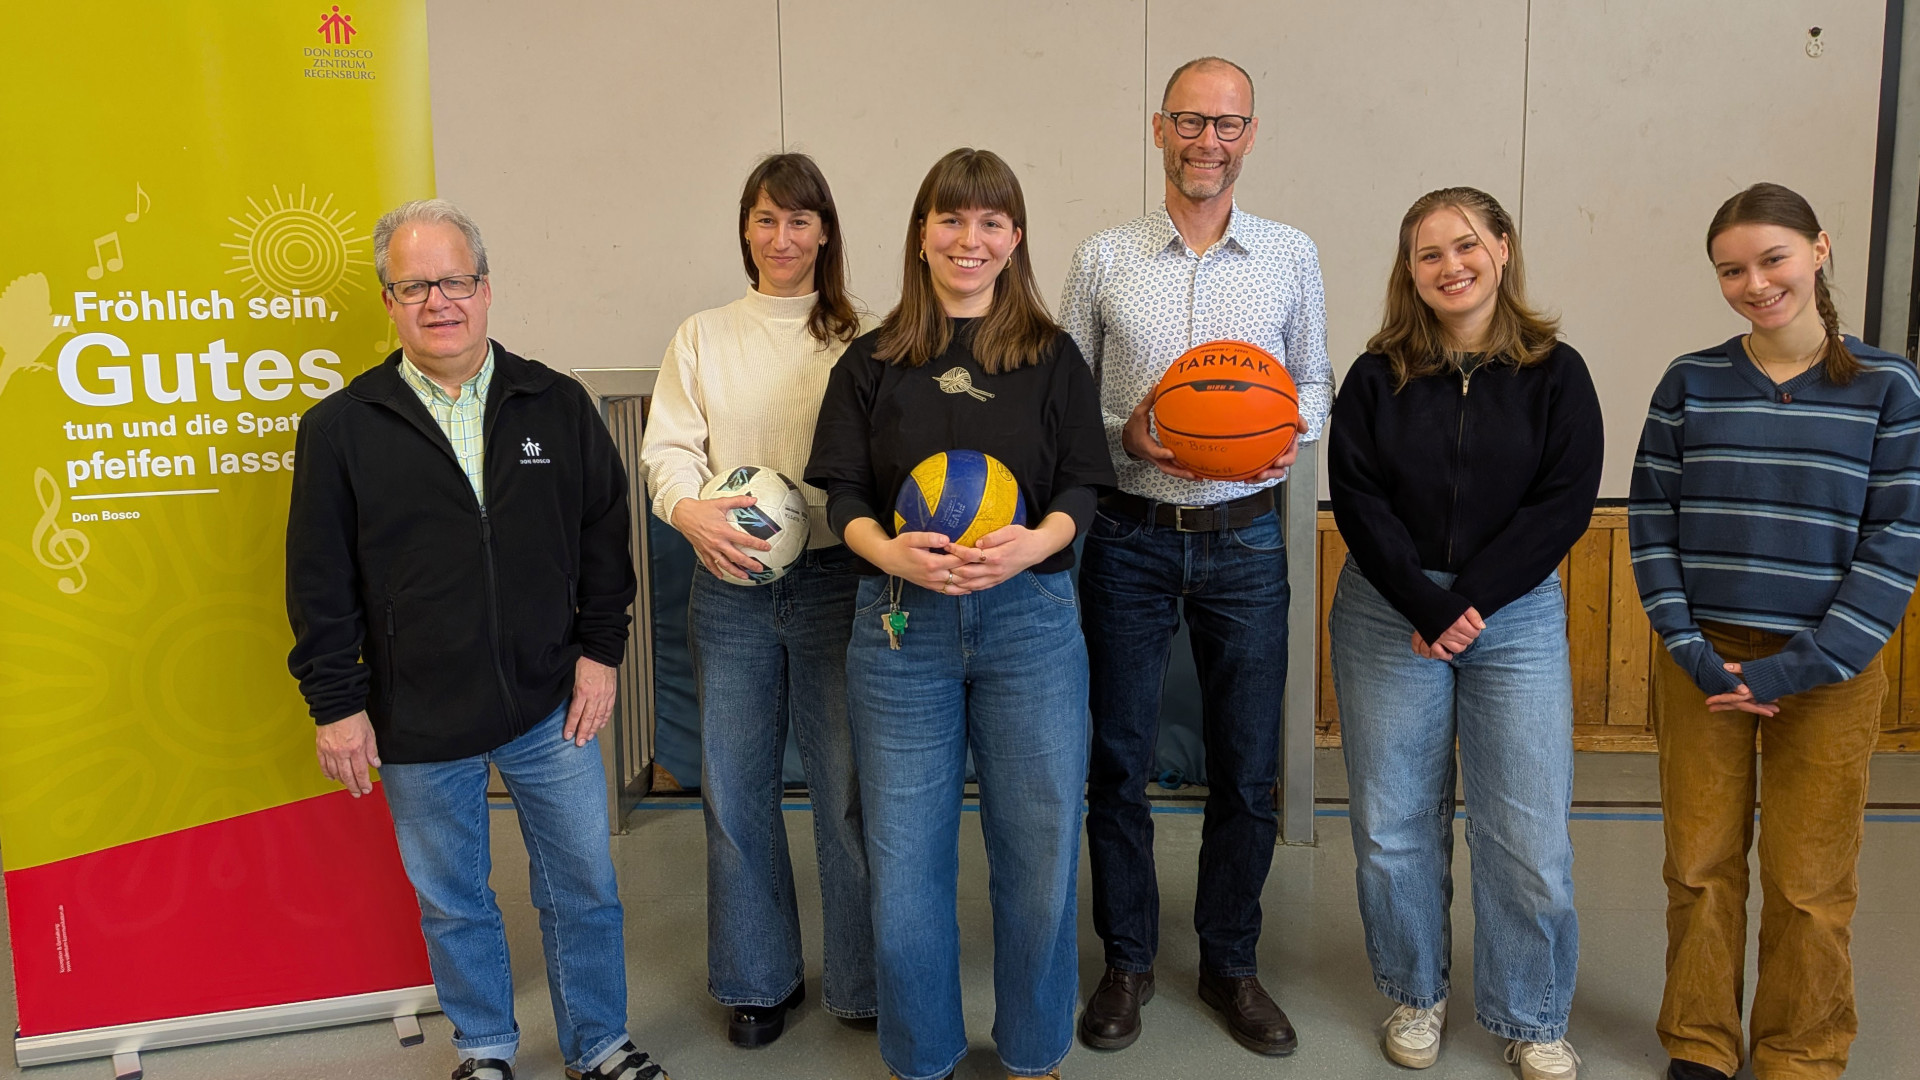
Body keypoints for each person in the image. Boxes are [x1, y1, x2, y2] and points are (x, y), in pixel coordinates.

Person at [285, 199, 669, 1080]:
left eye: (455, 280)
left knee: (584, 890)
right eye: (414, 285)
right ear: (389, 302)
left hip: (549, 704)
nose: (438, 300)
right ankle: (487, 1048)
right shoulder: (342, 429)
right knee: (455, 901)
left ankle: (599, 1044)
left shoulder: (557, 404)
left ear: (487, 288)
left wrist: (601, 653)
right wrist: (336, 706)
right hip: (416, 718)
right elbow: (318, 582)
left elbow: (604, 539)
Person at [806, 147, 1114, 1080]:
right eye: (951, 219)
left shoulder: (1052, 356)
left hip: (1030, 624)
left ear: (1015, 237)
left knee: (1040, 849)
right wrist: (890, 552)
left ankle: (1032, 1052)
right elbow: (845, 495)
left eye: (990, 222)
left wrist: (1039, 540)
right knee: (905, 863)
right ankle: (924, 1056)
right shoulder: (873, 359)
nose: (968, 240)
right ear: (923, 232)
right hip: (902, 629)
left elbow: (1086, 486)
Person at [1059, 55, 1333, 1057]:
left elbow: (1315, 383)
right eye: (1189, 121)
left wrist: (1272, 431)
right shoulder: (1102, 258)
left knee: (1247, 768)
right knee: (1117, 761)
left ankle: (1230, 964)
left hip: (1248, 534)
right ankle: (1127, 963)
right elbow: (1062, 400)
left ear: (1250, 135)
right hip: (1129, 537)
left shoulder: (1289, 254)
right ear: (1158, 128)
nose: (1206, 141)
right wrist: (1123, 434)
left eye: (1226, 124)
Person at [1630, 182, 1920, 1080]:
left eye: (1773, 259)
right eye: (1732, 270)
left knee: (1810, 881)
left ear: (1820, 250)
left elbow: (1896, 538)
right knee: (1701, 868)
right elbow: (1651, 523)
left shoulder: (1887, 387)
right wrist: (1689, 649)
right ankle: (1701, 1044)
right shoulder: (1691, 381)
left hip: (1829, 673)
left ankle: (1800, 1052)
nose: (1755, 283)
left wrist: (1801, 667)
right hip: (1704, 661)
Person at [1326, 187, 1603, 1080]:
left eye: (1465, 245)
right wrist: (1425, 603)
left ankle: (1532, 1014)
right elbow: (1357, 498)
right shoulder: (1376, 376)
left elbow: (1564, 502)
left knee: (1527, 830)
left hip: (1512, 612)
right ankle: (1416, 994)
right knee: (1392, 822)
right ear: (1408, 272)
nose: (1449, 266)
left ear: (1503, 247)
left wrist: (1470, 600)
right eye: (1427, 254)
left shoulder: (1558, 373)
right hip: (1387, 608)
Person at [639, 152, 876, 1046]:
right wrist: (690, 509)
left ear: (826, 232)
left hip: (835, 582)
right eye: (767, 219)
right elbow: (668, 452)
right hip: (729, 587)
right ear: (745, 228)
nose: (783, 238)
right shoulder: (701, 335)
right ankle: (756, 979)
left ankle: (861, 980)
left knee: (847, 788)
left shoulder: (868, 335)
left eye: (801, 220)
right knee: (735, 789)